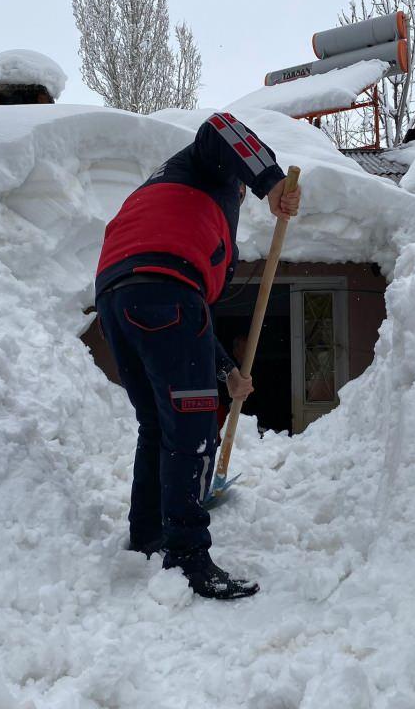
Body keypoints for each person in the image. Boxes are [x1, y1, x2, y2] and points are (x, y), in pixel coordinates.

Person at [94, 112, 300, 600]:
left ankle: (148, 533)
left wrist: (226, 372)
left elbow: (190, 318)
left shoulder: (166, 196)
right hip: (165, 290)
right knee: (191, 425)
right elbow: (222, 125)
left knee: (158, 424)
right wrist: (269, 180)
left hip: (119, 299)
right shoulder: (204, 163)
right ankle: (188, 556)